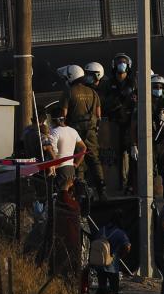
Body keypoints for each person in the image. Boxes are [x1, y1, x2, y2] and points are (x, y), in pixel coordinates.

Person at [59, 64, 107, 200]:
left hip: (75, 133)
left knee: (77, 161)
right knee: (94, 160)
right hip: (91, 132)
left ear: (70, 77)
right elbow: (98, 115)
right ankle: (102, 190)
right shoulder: (93, 92)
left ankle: (80, 193)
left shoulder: (68, 92)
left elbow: (63, 115)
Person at [104, 53, 137, 194]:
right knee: (114, 156)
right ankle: (116, 184)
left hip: (129, 124)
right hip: (114, 124)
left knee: (132, 155)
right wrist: (116, 102)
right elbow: (104, 103)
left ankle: (131, 185)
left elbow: (138, 99)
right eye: (119, 62)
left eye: (124, 62)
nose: (121, 65)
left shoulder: (133, 82)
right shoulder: (109, 83)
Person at [91, 219, 131, 294]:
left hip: (100, 265)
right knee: (114, 291)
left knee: (101, 288)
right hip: (112, 267)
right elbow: (127, 246)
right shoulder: (120, 233)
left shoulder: (102, 230)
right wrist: (122, 255)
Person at [48, 104, 87, 189]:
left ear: (53, 120)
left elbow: (51, 151)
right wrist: (77, 163)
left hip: (60, 169)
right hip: (71, 169)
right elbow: (84, 148)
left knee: (61, 196)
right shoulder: (73, 131)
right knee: (70, 195)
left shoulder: (54, 132)